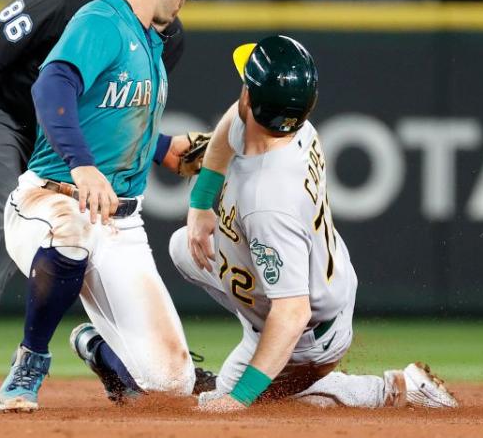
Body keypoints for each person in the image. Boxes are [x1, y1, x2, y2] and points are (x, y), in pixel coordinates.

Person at [0, 0, 192, 407]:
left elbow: (111, 116)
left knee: (95, 233)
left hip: (65, 136)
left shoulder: (168, 37)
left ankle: (126, 352)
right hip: (5, 113)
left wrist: (159, 148)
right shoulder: (66, 1)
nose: (183, 1)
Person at [0, 0, 218, 412]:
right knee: (70, 235)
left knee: (171, 383)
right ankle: (30, 360)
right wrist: (82, 165)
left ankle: (94, 344)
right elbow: (51, 86)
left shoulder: (150, 40)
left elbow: (110, 116)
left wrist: (164, 149)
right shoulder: (102, 20)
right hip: (50, 198)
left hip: (119, 222)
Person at [169, 36, 459, 413]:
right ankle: (265, 360)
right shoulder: (292, 127)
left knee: (219, 405)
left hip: (306, 334)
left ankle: (394, 389)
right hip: (309, 279)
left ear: (249, 99)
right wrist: (200, 204)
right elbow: (231, 122)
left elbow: (291, 315)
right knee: (183, 247)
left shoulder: (268, 202)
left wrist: (239, 399)